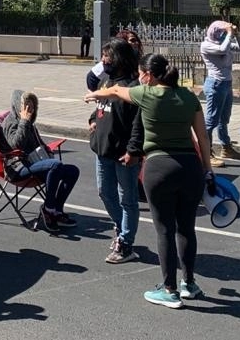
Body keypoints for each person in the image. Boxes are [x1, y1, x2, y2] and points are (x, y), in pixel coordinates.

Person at [85, 52, 215, 309]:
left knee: (164, 229)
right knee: (186, 228)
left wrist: (94, 95)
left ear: (148, 75)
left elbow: (117, 91)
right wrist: (208, 171)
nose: (140, 77)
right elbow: (203, 139)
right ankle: (189, 283)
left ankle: (169, 289)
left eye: (141, 73)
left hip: (159, 167)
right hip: (190, 167)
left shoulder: (146, 94)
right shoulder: (189, 98)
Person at [86, 39, 144, 263]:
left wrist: (133, 150)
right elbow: (101, 108)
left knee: (127, 199)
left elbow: (139, 123)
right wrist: (93, 120)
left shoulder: (132, 88)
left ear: (119, 58)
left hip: (123, 153)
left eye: (107, 57)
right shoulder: (108, 82)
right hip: (103, 149)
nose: (103, 61)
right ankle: (122, 231)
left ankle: (126, 243)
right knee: (105, 192)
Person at [4, 89, 81, 233]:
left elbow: (39, 144)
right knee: (55, 165)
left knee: (72, 171)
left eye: (32, 107)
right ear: (18, 106)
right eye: (26, 107)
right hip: (18, 167)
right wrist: (24, 121)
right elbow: (16, 145)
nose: (30, 111)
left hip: (34, 163)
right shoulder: (10, 123)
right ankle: (48, 209)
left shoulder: (30, 125)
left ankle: (56, 211)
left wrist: (47, 150)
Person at [200, 20, 240, 165]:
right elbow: (222, 50)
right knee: (211, 120)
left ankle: (226, 147)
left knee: (224, 118)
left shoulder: (223, 41)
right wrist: (229, 34)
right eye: (222, 31)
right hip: (215, 84)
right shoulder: (207, 45)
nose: (224, 34)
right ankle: (206, 152)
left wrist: (236, 35)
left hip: (226, 83)